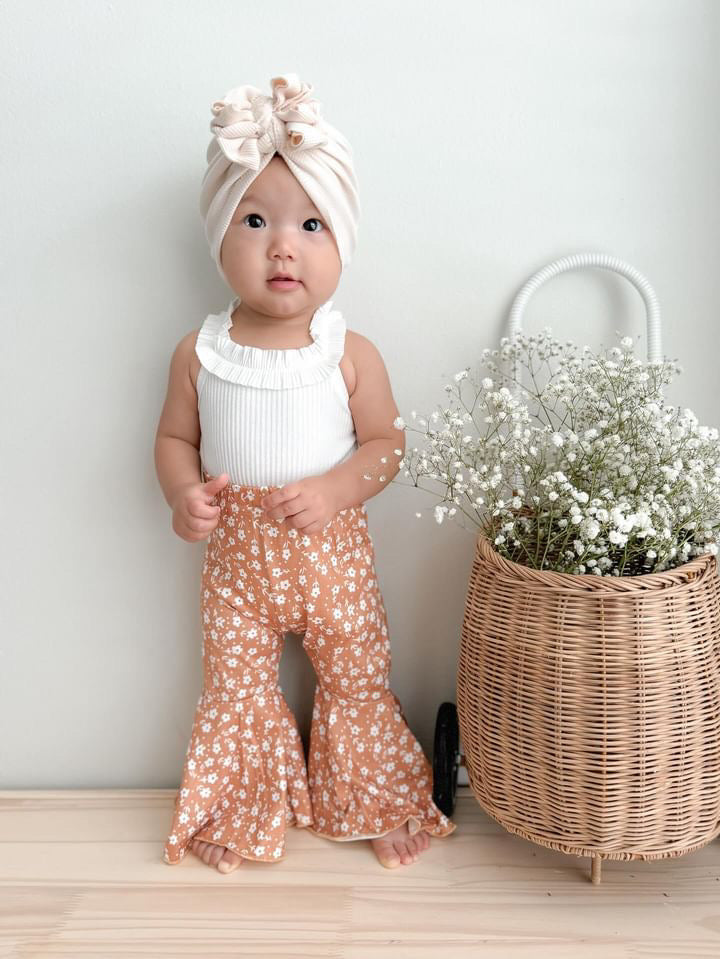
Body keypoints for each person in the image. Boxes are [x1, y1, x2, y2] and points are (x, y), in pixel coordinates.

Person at [155, 73, 456, 874]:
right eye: (255, 220)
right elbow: (174, 437)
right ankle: (239, 805)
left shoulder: (348, 352)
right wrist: (184, 493)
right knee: (236, 684)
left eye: (310, 224)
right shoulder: (201, 350)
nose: (282, 245)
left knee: (357, 673)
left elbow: (387, 444)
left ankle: (375, 802)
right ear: (219, 235)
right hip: (236, 565)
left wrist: (336, 488)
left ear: (341, 242)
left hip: (331, 553)